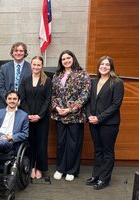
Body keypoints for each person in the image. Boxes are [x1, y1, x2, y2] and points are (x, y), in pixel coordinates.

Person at [51, 50, 91, 182]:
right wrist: (57, 108)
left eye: (68, 58)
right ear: (60, 62)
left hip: (75, 115)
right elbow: (53, 95)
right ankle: (60, 168)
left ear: (73, 58)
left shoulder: (82, 74)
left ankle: (72, 170)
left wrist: (69, 109)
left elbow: (84, 95)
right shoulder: (57, 75)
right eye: (63, 59)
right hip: (60, 115)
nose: (66, 61)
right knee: (61, 143)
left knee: (74, 144)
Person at [85, 56, 124, 190]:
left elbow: (116, 105)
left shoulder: (117, 82)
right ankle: (96, 175)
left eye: (107, 65)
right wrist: (90, 115)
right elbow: (89, 102)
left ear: (111, 67)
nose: (104, 67)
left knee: (107, 151)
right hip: (93, 122)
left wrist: (99, 118)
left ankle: (104, 179)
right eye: (102, 64)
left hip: (109, 124)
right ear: (98, 66)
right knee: (98, 150)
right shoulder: (93, 81)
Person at [19, 56, 52, 179]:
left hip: (42, 118)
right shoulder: (25, 79)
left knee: (41, 144)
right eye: (34, 65)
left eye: (38, 65)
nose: (36, 67)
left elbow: (48, 99)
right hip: (28, 118)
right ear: (31, 65)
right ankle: (31, 166)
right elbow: (22, 99)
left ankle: (40, 168)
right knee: (30, 143)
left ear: (42, 66)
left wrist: (39, 115)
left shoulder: (47, 80)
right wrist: (29, 115)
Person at [0, 42, 32, 108]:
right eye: (16, 51)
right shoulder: (4, 68)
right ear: (12, 53)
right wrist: (9, 100)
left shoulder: (31, 68)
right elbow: (0, 87)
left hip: (24, 105)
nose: (18, 53)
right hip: (6, 104)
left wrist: (19, 100)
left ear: (25, 53)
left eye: (21, 51)